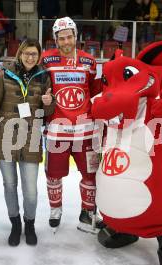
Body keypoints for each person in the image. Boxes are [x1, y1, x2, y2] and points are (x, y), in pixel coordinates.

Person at [0, 39, 54, 246]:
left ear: (39, 56)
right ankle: (15, 225)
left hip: (31, 140)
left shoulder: (44, 77)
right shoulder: (4, 75)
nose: (30, 57)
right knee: (10, 185)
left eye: (34, 54)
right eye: (27, 53)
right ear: (20, 53)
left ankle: (30, 224)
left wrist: (49, 104)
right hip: (5, 138)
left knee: (31, 191)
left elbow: (47, 114)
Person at [40, 17, 103, 234]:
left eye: (69, 37)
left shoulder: (89, 61)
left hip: (85, 131)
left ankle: (87, 213)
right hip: (57, 130)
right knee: (53, 175)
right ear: (55, 40)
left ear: (76, 37)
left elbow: (93, 90)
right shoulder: (46, 59)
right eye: (61, 38)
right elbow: (39, 87)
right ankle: (55, 209)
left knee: (90, 174)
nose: (66, 42)